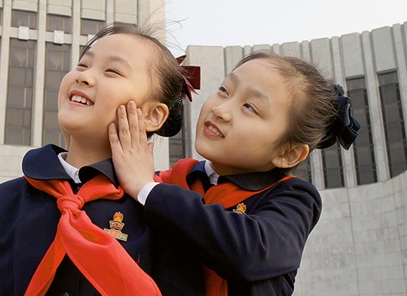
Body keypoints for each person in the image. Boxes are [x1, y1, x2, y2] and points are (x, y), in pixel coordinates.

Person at [0, 23, 205, 295]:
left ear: (152, 115)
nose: (85, 77)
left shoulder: (165, 213)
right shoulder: (2, 202)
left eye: (112, 71)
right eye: (83, 65)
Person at [109, 51, 360, 296]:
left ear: (288, 153)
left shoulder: (293, 198)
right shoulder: (172, 179)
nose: (221, 110)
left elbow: (251, 252)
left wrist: (148, 189)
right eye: (224, 90)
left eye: (250, 107)